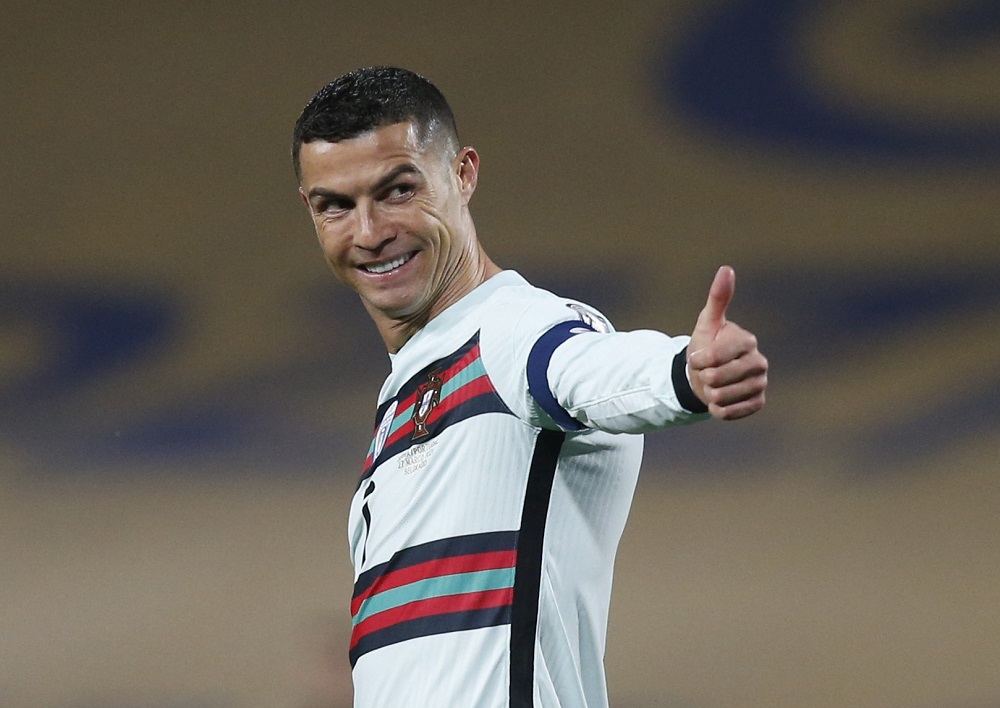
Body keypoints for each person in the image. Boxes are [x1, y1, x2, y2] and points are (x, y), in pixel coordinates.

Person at [292, 66, 768, 708]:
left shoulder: (512, 332)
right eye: (337, 206)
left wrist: (685, 372)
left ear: (462, 175)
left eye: (399, 190)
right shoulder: (405, 395)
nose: (370, 233)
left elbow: (587, 367)